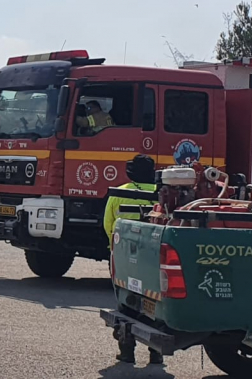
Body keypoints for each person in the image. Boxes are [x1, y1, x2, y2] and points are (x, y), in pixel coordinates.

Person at [104, 154, 163, 365]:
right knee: (153, 304)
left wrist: (115, 247)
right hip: (153, 259)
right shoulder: (162, 193)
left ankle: (127, 351)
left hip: (125, 257)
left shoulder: (121, 191)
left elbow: (108, 224)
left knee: (126, 303)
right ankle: (156, 353)